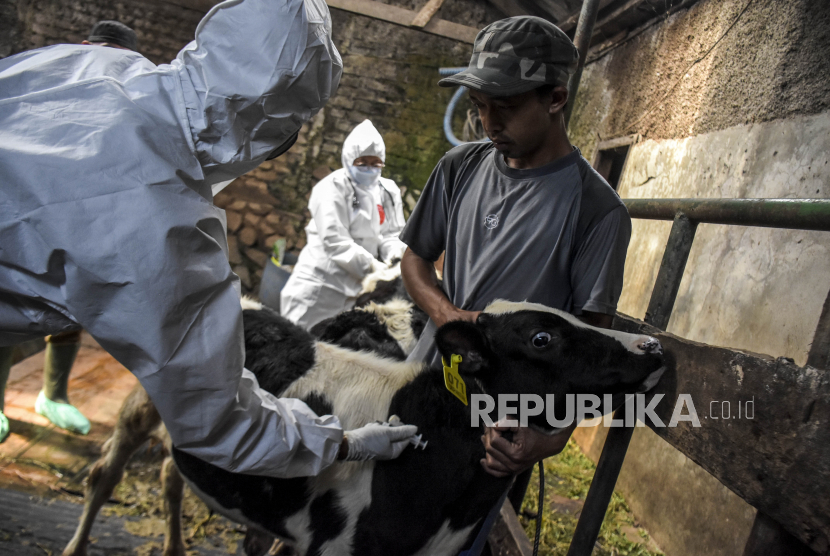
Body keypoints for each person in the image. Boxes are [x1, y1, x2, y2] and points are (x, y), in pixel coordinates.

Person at [0, 0, 416, 477]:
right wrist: (345, 443)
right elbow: (217, 419)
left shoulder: (96, 62)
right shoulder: (166, 231)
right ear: (271, 127)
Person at [399, 15, 632, 551]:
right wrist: (446, 316)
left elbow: (590, 343)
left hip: (502, 422)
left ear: (555, 98)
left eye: (503, 107)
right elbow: (414, 262)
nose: (486, 122)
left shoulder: (597, 210)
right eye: (479, 106)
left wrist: (548, 439)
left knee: (449, 541)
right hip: (425, 381)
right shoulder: (459, 168)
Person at [0, 20, 141, 443]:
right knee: (8, 296)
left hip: (81, 211)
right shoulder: (53, 70)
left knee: (71, 300)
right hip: (25, 201)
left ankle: (54, 395)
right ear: (85, 47)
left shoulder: (126, 89)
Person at [280, 119, 407, 329]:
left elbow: (391, 234)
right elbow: (335, 241)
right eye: (362, 162)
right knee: (297, 344)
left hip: (356, 290)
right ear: (349, 158)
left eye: (376, 163)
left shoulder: (388, 191)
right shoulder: (332, 187)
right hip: (321, 286)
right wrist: (374, 267)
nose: (370, 168)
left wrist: (395, 259)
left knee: (334, 352)